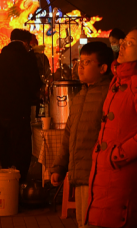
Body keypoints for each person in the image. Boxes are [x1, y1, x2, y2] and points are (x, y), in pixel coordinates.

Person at [85, 27, 137, 228]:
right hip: (106, 170)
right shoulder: (120, 78)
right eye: (123, 42)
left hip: (123, 171)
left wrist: (117, 155)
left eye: (129, 43)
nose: (121, 46)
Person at [50, 42, 113, 227]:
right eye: (80, 61)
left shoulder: (110, 94)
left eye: (87, 62)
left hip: (99, 175)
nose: (80, 66)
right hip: (80, 174)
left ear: (103, 68)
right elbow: (68, 135)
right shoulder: (79, 97)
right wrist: (59, 167)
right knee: (82, 221)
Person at [0, 29, 43, 182]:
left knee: (5, 150)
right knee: (21, 151)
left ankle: (6, 184)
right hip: (19, 114)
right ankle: (19, 185)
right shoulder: (27, 61)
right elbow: (35, 85)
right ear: (25, 43)